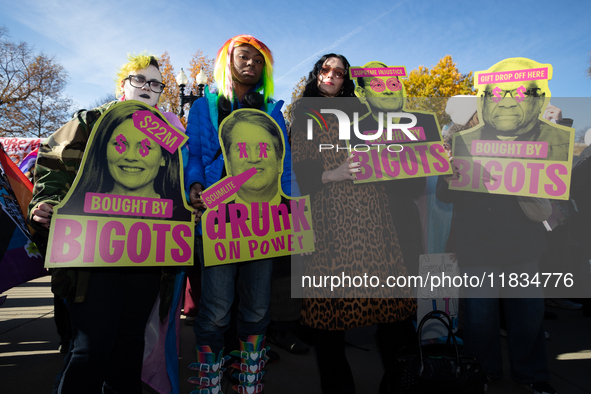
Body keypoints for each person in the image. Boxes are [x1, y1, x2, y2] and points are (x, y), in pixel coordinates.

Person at [28, 53, 185, 394]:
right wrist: (46, 203)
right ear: (122, 85)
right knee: (90, 348)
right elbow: (54, 165)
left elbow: (175, 190)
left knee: (129, 346)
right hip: (90, 258)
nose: (147, 87)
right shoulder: (91, 120)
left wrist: (190, 209)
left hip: (145, 256)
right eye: (138, 79)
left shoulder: (167, 136)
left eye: (155, 83)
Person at [291, 54, 416, 394]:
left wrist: (429, 154)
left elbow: (394, 158)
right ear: (317, 74)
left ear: (346, 78)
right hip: (330, 220)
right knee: (328, 317)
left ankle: (398, 386)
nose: (331, 75)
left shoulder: (363, 112)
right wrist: (333, 174)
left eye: (339, 72)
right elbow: (301, 168)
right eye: (325, 69)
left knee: (394, 313)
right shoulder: (304, 112)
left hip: (376, 219)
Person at [184, 34, 299, 394]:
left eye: (259, 59)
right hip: (218, 215)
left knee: (257, 308)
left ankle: (250, 378)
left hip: (263, 220)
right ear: (227, 60)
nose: (250, 63)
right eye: (243, 56)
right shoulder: (205, 107)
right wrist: (195, 187)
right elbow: (196, 155)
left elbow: (286, 164)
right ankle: (210, 379)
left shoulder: (272, 110)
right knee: (216, 308)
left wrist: (297, 206)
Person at [437, 95, 558, 394]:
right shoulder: (456, 147)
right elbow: (445, 195)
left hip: (522, 243)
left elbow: (548, 182)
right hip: (477, 244)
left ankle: (531, 373)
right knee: (480, 320)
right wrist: (449, 176)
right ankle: (483, 371)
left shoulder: (523, 141)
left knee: (528, 316)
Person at [56, 102, 187, 221]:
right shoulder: (74, 212)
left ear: (163, 158)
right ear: (104, 152)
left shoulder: (182, 218)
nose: (131, 156)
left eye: (145, 146)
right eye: (120, 144)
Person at [453, 57, 570, 161]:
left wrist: (559, 127)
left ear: (539, 100)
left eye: (521, 94)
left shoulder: (551, 143)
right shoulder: (463, 145)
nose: (507, 103)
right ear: (483, 102)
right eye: (496, 95)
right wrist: (447, 177)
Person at [220, 109, 284, 203]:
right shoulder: (214, 217)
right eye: (242, 149)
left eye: (263, 148)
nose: (254, 159)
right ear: (228, 163)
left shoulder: (299, 213)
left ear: (279, 160)